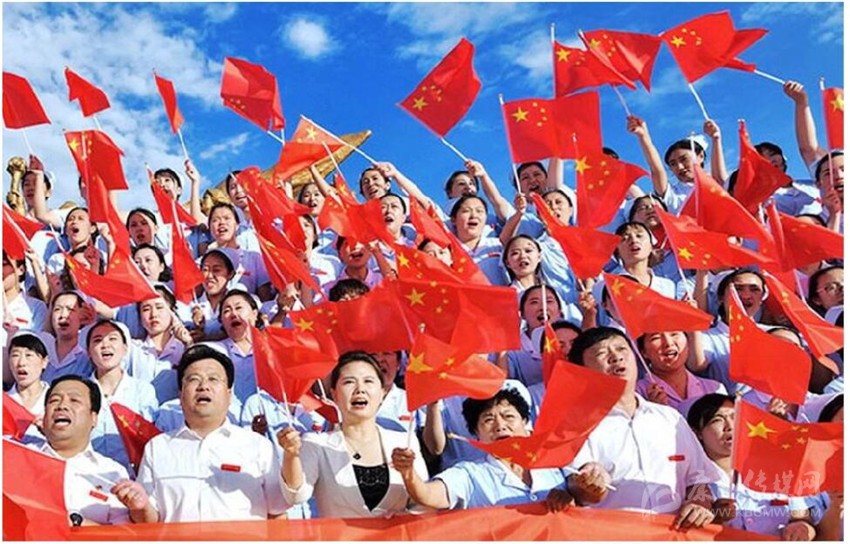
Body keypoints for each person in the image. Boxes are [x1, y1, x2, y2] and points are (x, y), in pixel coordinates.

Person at [565, 327, 723, 529]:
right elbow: (577, 492)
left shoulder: (670, 418)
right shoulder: (578, 427)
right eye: (602, 354)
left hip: (673, 534)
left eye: (622, 349)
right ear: (584, 372)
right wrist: (589, 486)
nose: (616, 357)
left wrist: (699, 503)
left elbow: (698, 479)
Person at [111, 344, 287, 522]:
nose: (203, 386)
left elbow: (277, 511)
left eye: (213, 379)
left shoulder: (257, 446)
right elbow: (149, 520)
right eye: (193, 379)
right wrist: (139, 507)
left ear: (229, 394)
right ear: (180, 394)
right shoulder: (157, 447)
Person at [277, 351, 429, 518]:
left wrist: (408, 479)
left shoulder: (404, 442)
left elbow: (423, 503)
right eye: (349, 382)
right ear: (334, 394)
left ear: (382, 392)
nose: (360, 389)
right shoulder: (316, 444)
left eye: (368, 381)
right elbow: (296, 495)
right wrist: (291, 455)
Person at [391, 387, 573, 511]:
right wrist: (408, 473)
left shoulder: (553, 464)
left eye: (508, 416)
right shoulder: (469, 474)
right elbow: (428, 495)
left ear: (525, 422)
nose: (500, 426)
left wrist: (569, 498)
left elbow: (584, 494)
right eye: (488, 420)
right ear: (476, 433)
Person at [687, 394, 817, 538]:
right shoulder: (695, 482)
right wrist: (715, 520)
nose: (730, 426)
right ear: (697, 433)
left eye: (735, 417)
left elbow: (804, 520)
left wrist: (802, 528)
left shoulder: (776, 470)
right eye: (717, 420)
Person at [39, 376, 131, 525]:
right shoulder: (18, 460)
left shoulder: (113, 472)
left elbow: (121, 533)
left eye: (74, 400)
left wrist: (78, 523)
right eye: (54, 400)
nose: (62, 406)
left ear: (94, 418)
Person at [86, 319, 159, 473]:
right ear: (89, 352)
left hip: (132, 475)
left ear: (125, 349)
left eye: (112, 339)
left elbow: (146, 436)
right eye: (97, 340)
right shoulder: (81, 391)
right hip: (88, 473)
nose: (105, 345)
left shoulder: (142, 390)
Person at [636, 331, 726, 416]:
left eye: (674, 334)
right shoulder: (637, 394)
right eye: (656, 337)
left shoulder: (714, 389)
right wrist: (653, 412)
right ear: (643, 352)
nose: (669, 343)